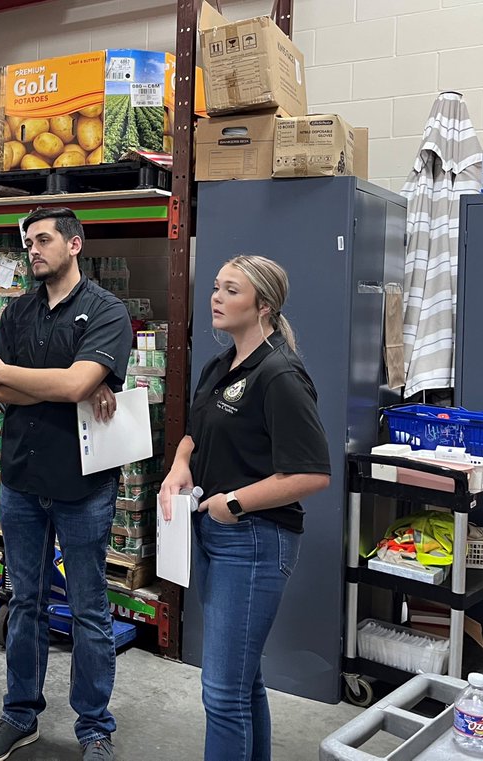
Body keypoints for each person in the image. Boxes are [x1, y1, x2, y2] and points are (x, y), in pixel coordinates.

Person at [0, 207, 132, 761]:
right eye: (28, 241)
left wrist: (63, 384)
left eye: (43, 240)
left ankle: (94, 729)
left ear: (75, 244)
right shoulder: (16, 313)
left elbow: (74, 382)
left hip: (83, 486)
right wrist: (63, 387)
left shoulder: (107, 312)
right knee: (27, 602)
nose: (32, 249)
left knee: (89, 610)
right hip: (20, 480)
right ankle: (20, 715)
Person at [159, 254, 331, 761]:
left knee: (222, 693)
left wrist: (233, 502)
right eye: (216, 287)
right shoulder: (222, 364)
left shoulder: (279, 375)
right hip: (218, 536)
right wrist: (180, 463)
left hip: (255, 541)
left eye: (230, 291)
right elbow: (197, 429)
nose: (215, 297)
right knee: (243, 679)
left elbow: (311, 474)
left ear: (264, 306)